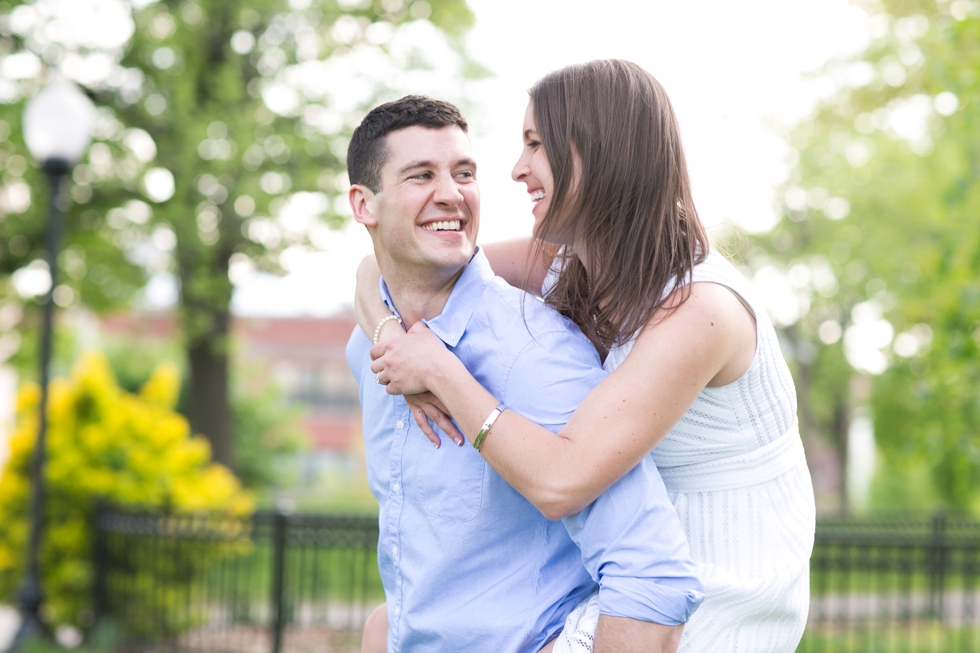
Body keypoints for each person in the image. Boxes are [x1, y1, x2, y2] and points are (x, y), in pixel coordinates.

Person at [362, 60, 817, 652]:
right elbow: (384, 264)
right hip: (617, 559)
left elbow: (562, 481)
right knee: (389, 626)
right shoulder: (568, 261)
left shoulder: (700, 309)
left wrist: (441, 374)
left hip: (712, 586)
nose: (517, 169)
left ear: (598, 154)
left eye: (536, 144)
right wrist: (391, 340)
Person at [345, 95, 703, 653]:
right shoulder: (367, 345)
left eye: (464, 173)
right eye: (421, 175)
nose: (451, 193)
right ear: (363, 204)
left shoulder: (534, 351)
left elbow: (653, 575)